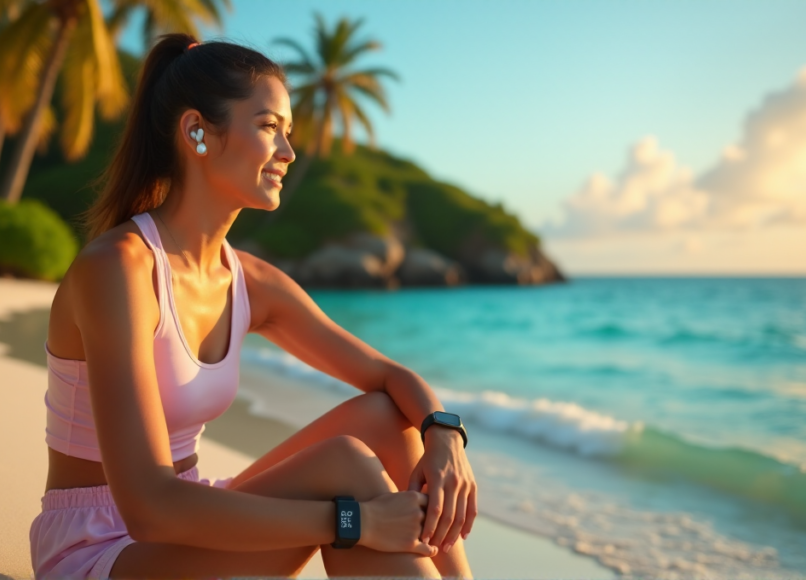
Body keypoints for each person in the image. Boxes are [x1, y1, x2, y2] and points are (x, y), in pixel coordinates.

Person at [28, 32, 477, 579]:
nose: (288, 153)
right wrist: (351, 522)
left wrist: (445, 435)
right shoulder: (119, 269)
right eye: (269, 128)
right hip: (100, 548)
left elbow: (387, 377)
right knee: (347, 471)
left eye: (288, 132)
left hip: (194, 515)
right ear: (197, 131)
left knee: (388, 417)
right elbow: (150, 509)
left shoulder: (251, 282)